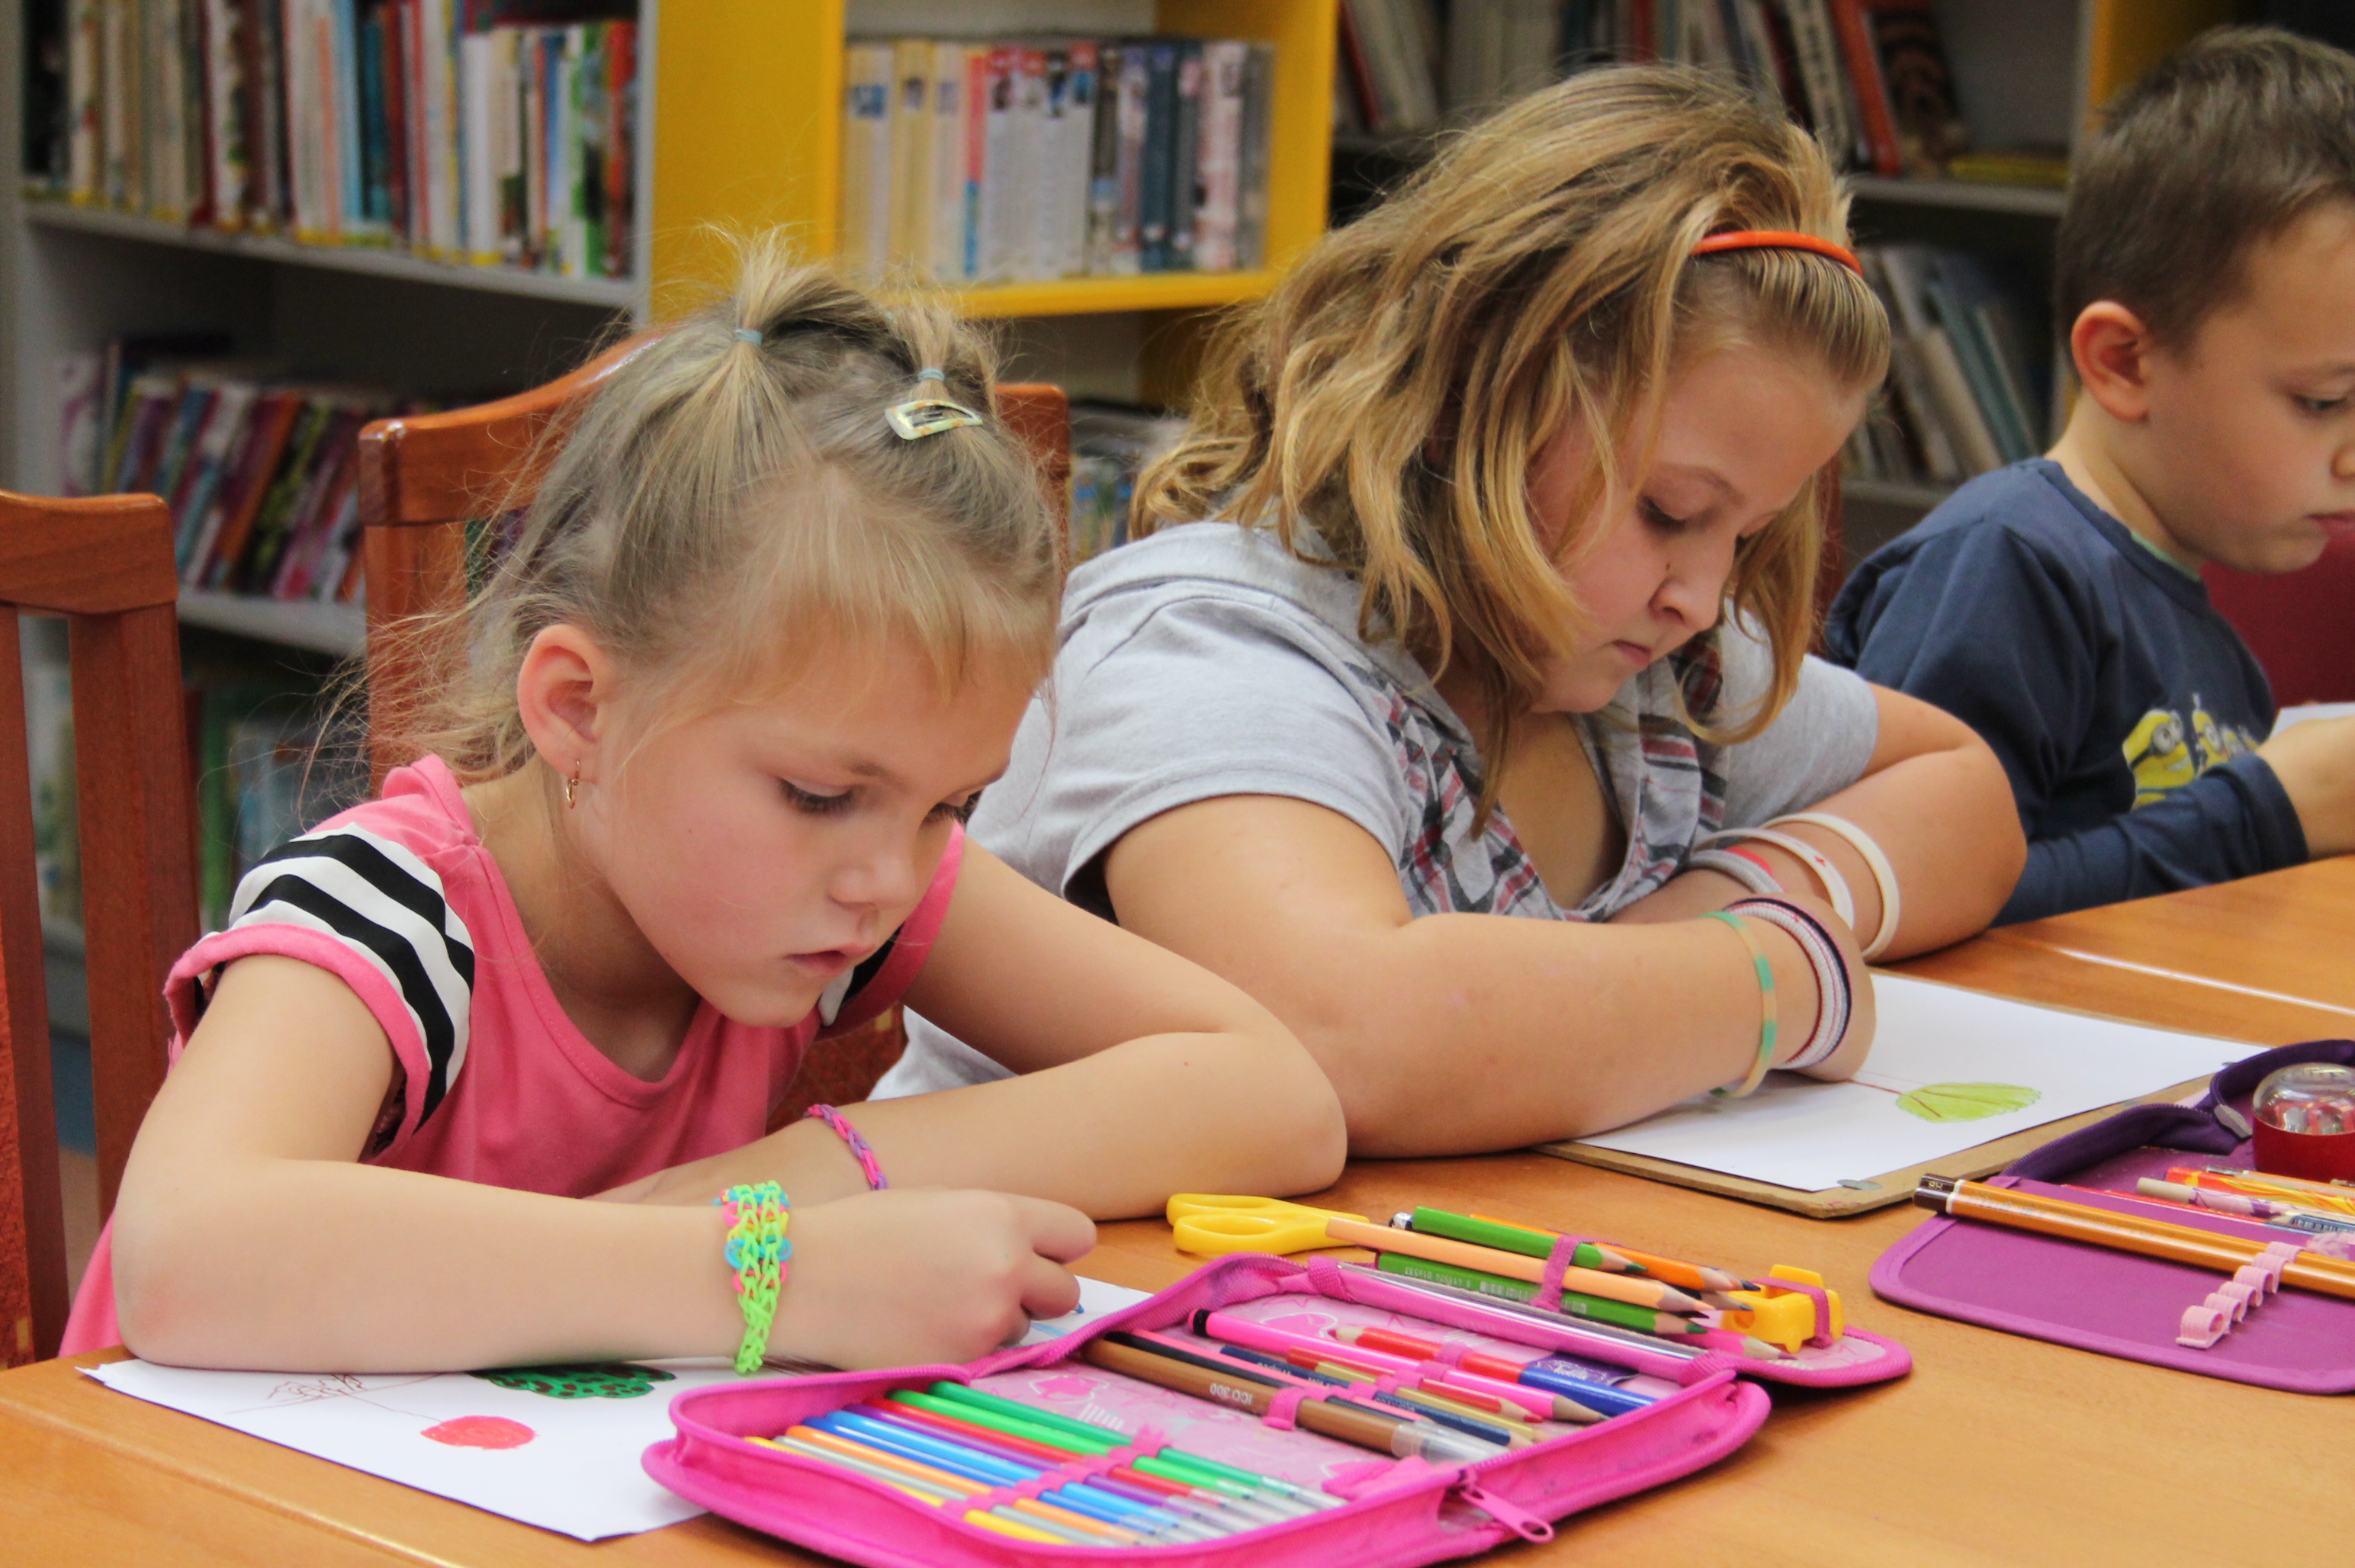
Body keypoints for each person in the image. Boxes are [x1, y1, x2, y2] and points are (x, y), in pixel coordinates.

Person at [69, 242, 1345, 1374]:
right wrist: (769, 1268)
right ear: (580, 708)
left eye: (950, 807)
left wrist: (814, 1171)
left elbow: (1273, 1094)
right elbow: (187, 1255)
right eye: (819, 795)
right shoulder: (384, 919)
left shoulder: (834, 884)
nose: (891, 878)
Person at [880, 68, 2024, 1155]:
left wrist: (1725, 904)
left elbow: (1963, 791)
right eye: (1672, 511)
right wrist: (1777, 978)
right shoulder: (1217, 648)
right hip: (1053, 1274)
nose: (1704, 595)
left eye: (1750, 534)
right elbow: (1342, 1041)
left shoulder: (1645, 669)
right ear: (1475, 393)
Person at [1827, 27, 2355, 924]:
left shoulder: (2201, 626)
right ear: (2122, 362)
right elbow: (1900, 895)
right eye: (2322, 400)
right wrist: (2265, 813)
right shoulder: (2005, 566)